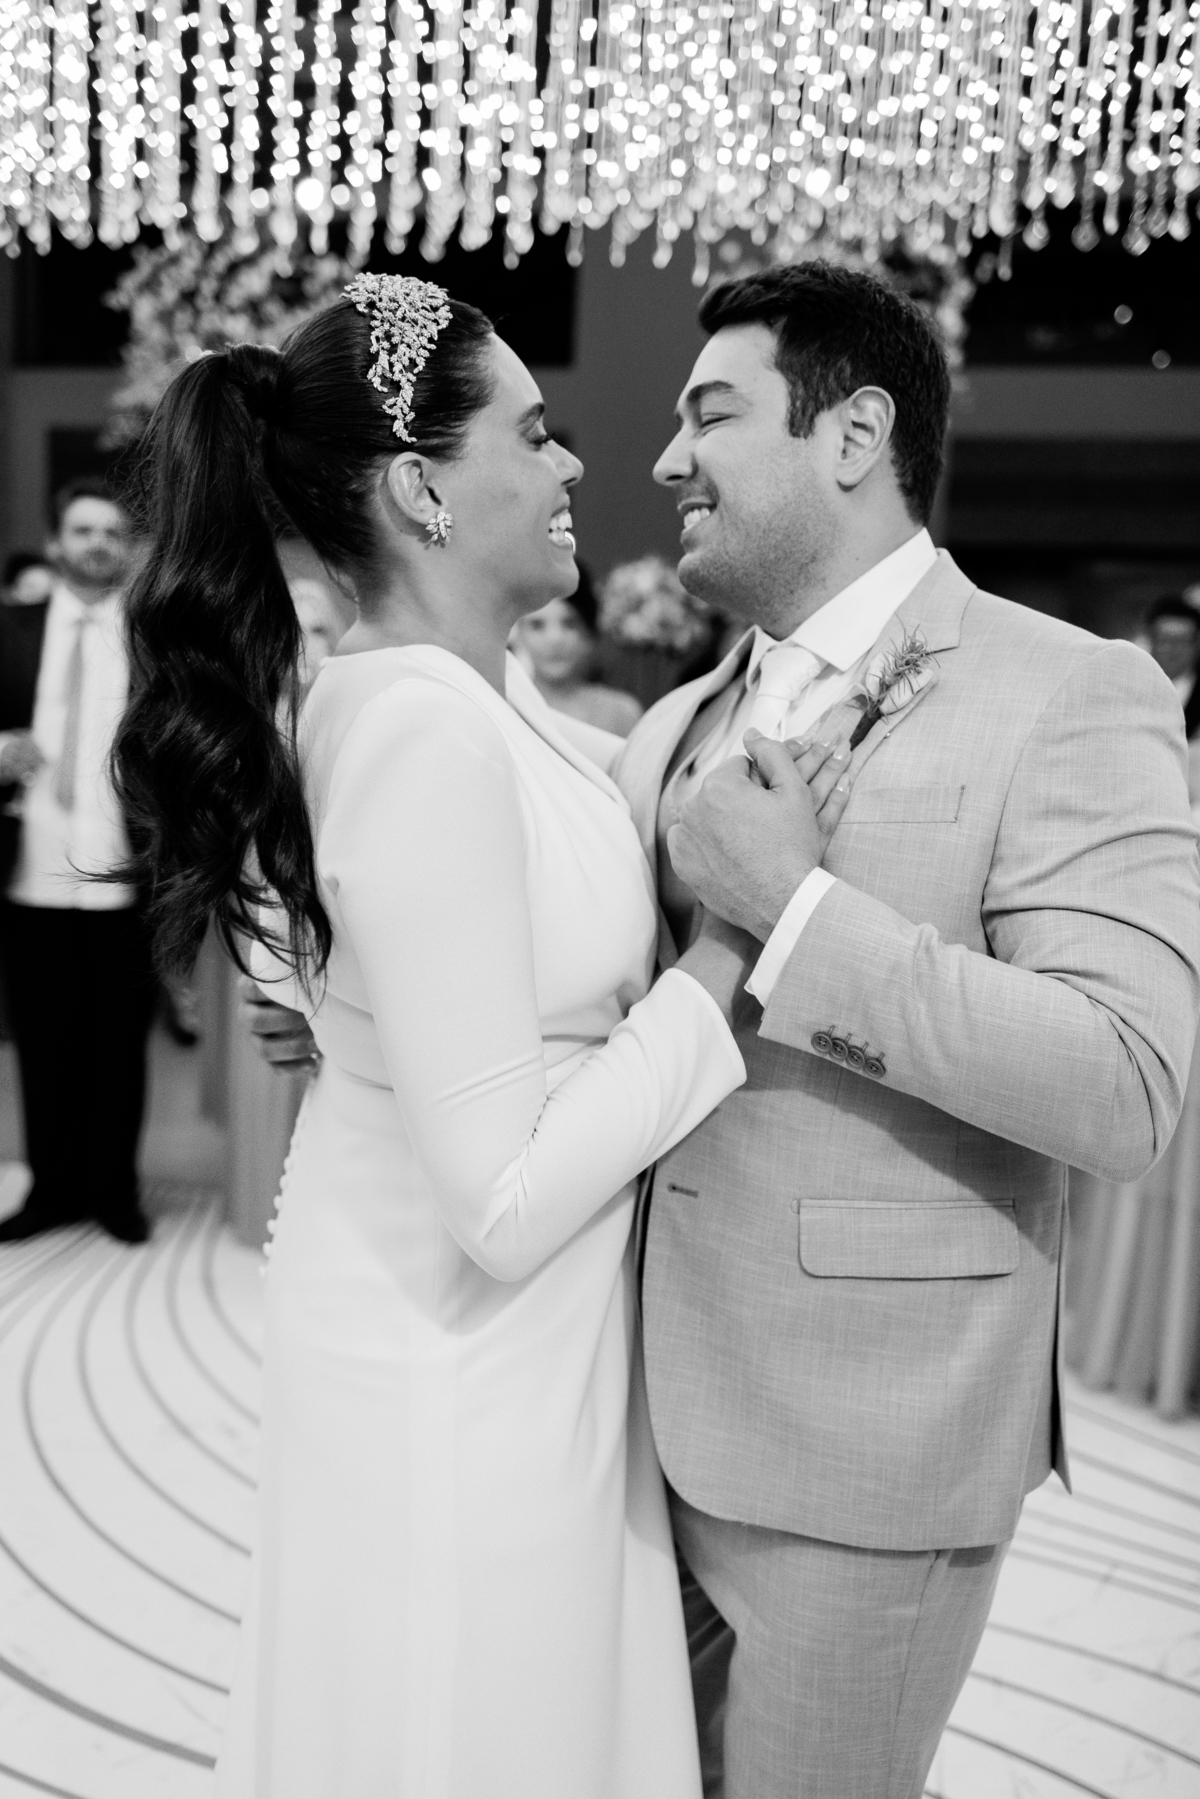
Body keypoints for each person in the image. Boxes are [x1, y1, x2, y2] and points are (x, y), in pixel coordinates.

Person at [109, 275, 850, 1798]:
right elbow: (502, 1201)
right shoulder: (418, 727)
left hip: (514, 1334)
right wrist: (731, 947)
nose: (576, 462)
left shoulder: (488, 704)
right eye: (535, 429)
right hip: (459, 1350)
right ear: (419, 490)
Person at [609, 262, 1200, 1799]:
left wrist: (799, 915)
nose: (666, 459)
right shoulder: (677, 719)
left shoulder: (1070, 689)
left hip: (869, 1446)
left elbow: (1128, 1082)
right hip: (623, 1420)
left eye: (710, 414)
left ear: (854, 434)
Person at [0, 478, 155, 1244]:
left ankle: (114, 1191)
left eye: (112, 532)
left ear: (127, 549)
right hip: (28, 869)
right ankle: (50, 1189)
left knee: (120, 1044)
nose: (98, 543)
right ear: (56, 541)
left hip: (124, 871)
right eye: (83, 530)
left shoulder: (154, 635)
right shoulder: (11, 626)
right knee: (43, 1042)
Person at [514, 562, 643, 735]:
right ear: (518, 633)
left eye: (569, 624)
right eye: (537, 625)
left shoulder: (621, 713)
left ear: (589, 632)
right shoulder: (506, 708)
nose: (555, 639)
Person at [1145, 592, 1200, 740]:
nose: (1173, 649)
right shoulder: (1132, 687)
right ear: (1151, 640)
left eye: (1183, 641)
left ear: (1196, 643)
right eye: (1165, 640)